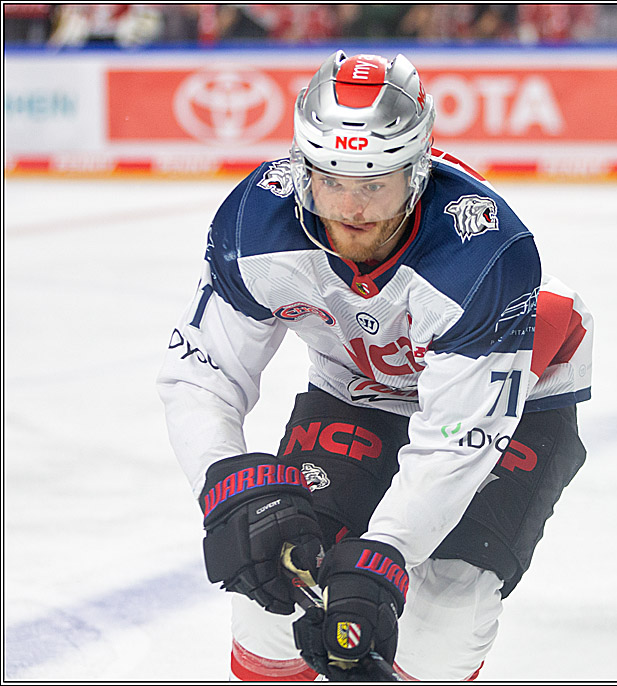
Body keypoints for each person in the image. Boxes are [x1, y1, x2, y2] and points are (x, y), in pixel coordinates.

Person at [157, 49, 592, 680]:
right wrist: (224, 479)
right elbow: (203, 371)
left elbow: (458, 438)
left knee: (442, 617)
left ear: (416, 175)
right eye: (330, 181)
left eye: (373, 185)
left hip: (519, 396)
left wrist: (386, 552)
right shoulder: (257, 219)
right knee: (271, 598)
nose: (350, 211)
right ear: (302, 169)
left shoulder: (483, 253)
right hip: (357, 387)